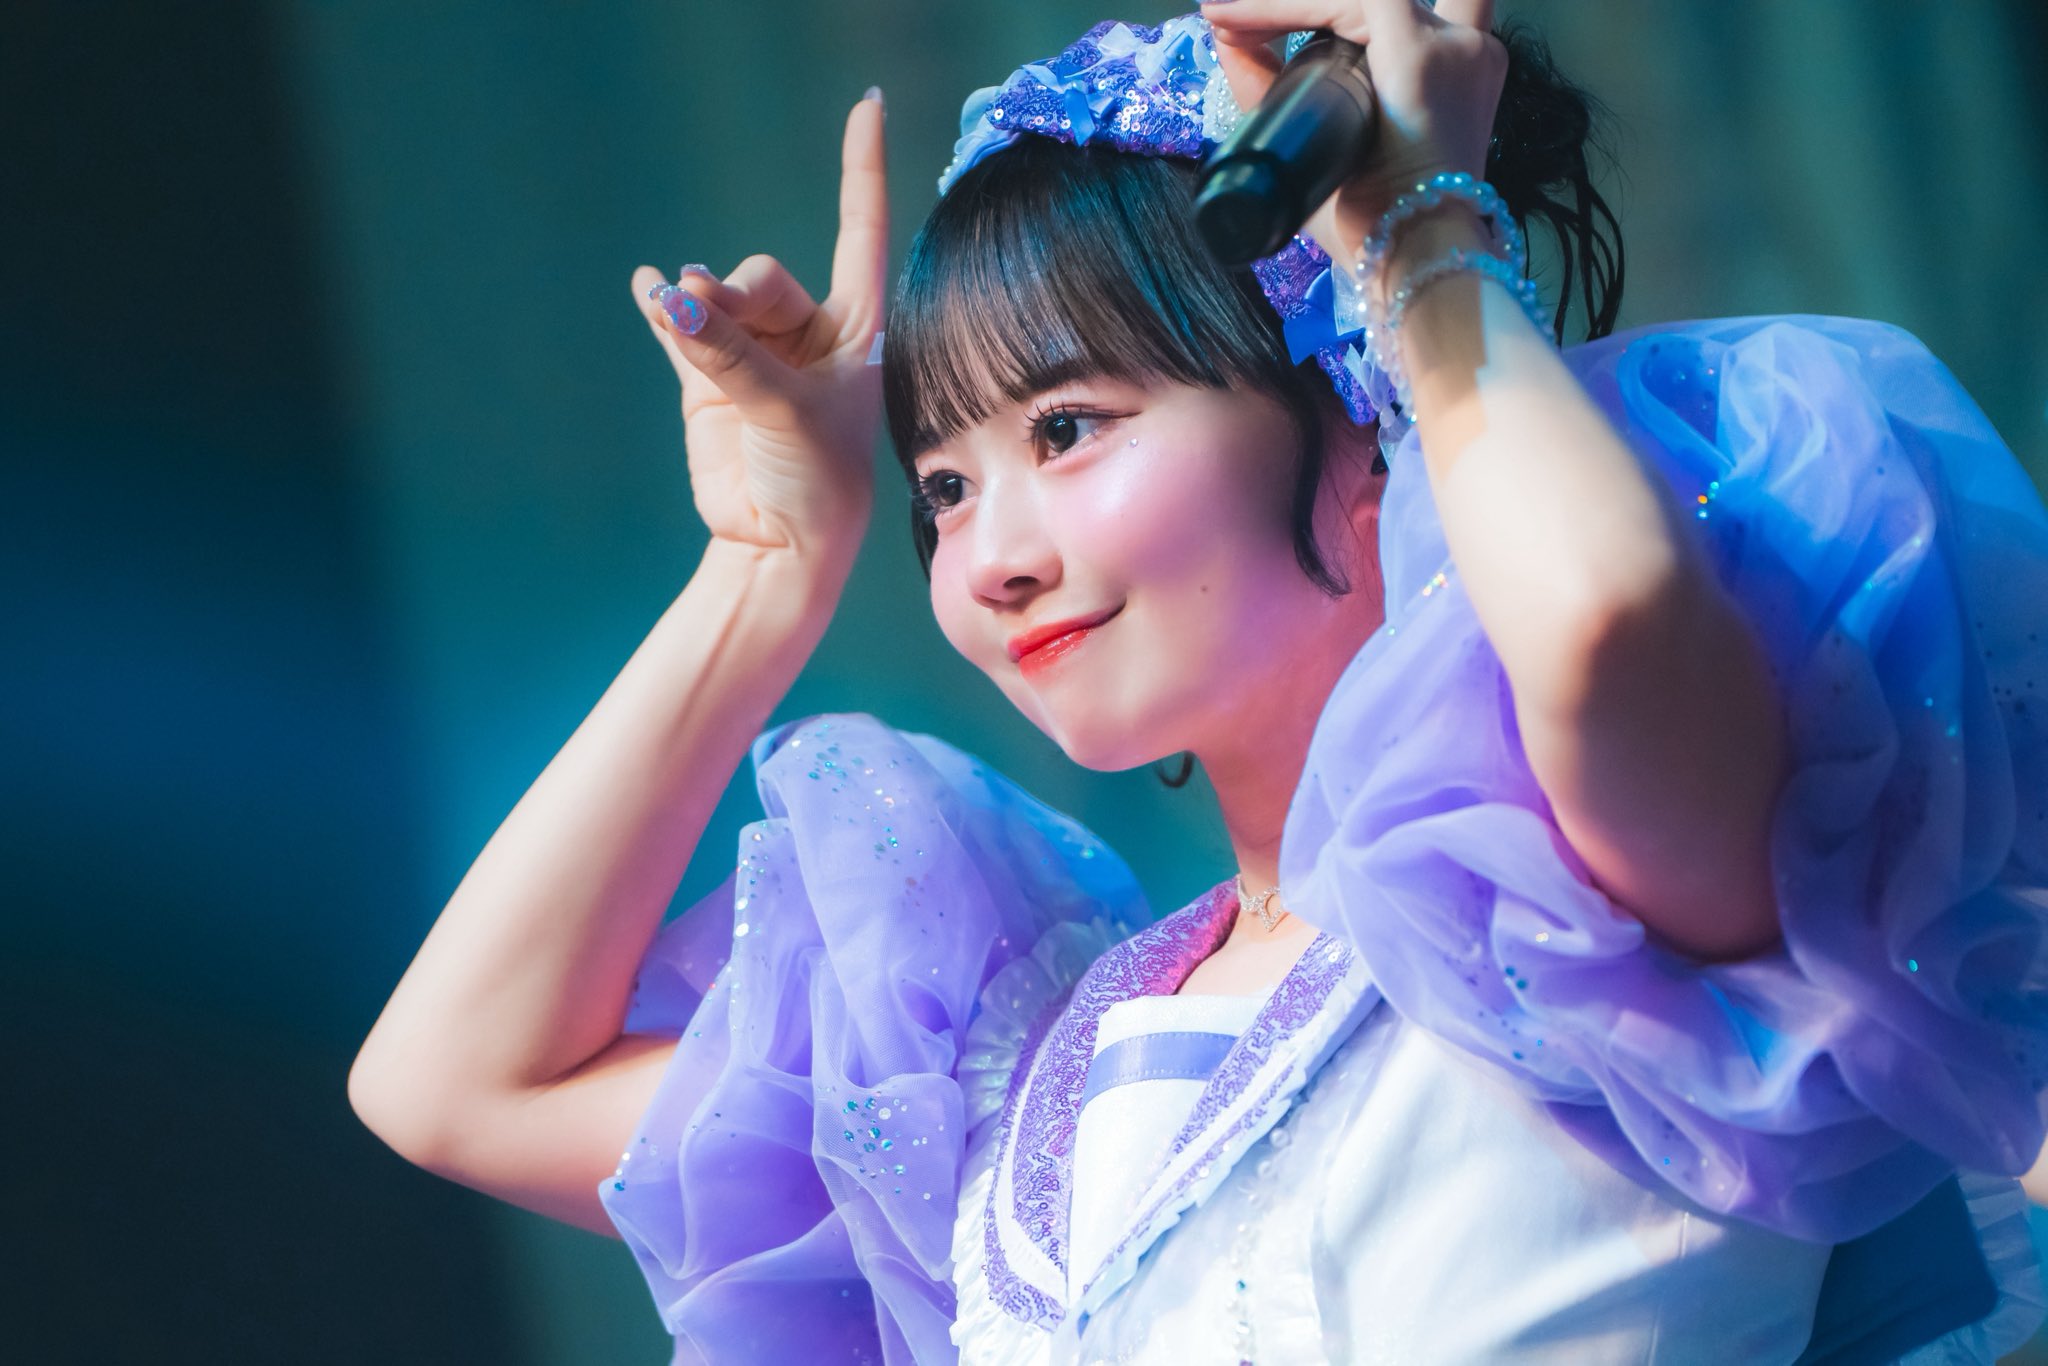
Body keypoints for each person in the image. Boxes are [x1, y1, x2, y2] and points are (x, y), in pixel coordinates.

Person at [347, 4, 2048, 1362]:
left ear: (1358, 415)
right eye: (942, 490)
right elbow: (450, 1084)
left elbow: (1599, 619)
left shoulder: (1592, 889)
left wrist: (1418, 241)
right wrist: (767, 567)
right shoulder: (1018, 1074)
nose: (989, 556)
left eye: (1067, 429)